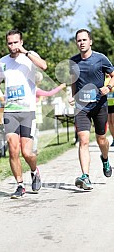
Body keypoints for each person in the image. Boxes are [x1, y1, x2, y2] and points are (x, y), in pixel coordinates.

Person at [0, 29, 47, 198]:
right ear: (7, 44)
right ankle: (20, 185)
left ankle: (34, 170)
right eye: (10, 43)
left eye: (16, 42)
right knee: (13, 149)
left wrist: (26, 53)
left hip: (27, 111)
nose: (13, 46)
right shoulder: (2, 62)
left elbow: (44, 66)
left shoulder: (29, 58)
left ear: (21, 42)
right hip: (10, 111)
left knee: (27, 153)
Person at [69, 29, 114, 190]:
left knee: (102, 139)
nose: (81, 43)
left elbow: (113, 74)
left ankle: (105, 158)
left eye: (84, 40)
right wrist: (73, 95)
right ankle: (85, 177)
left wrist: (108, 87)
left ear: (90, 42)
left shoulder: (100, 59)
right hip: (81, 107)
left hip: (99, 105)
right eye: (78, 40)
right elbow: (74, 80)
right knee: (84, 140)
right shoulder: (73, 61)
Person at [33, 71, 66, 154]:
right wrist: (60, 87)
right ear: (38, 81)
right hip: (35, 115)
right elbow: (49, 93)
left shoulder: (31, 89)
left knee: (32, 132)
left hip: (33, 114)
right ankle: (34, 149)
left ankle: (32, 148)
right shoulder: (36, 90)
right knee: (35, 132)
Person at [104, 74, 114, 146]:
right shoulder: (103, 79)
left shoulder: (112, 79)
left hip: (113, 104)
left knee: (113, 122)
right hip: (106, 104)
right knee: (109, 123)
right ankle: (113, 138)